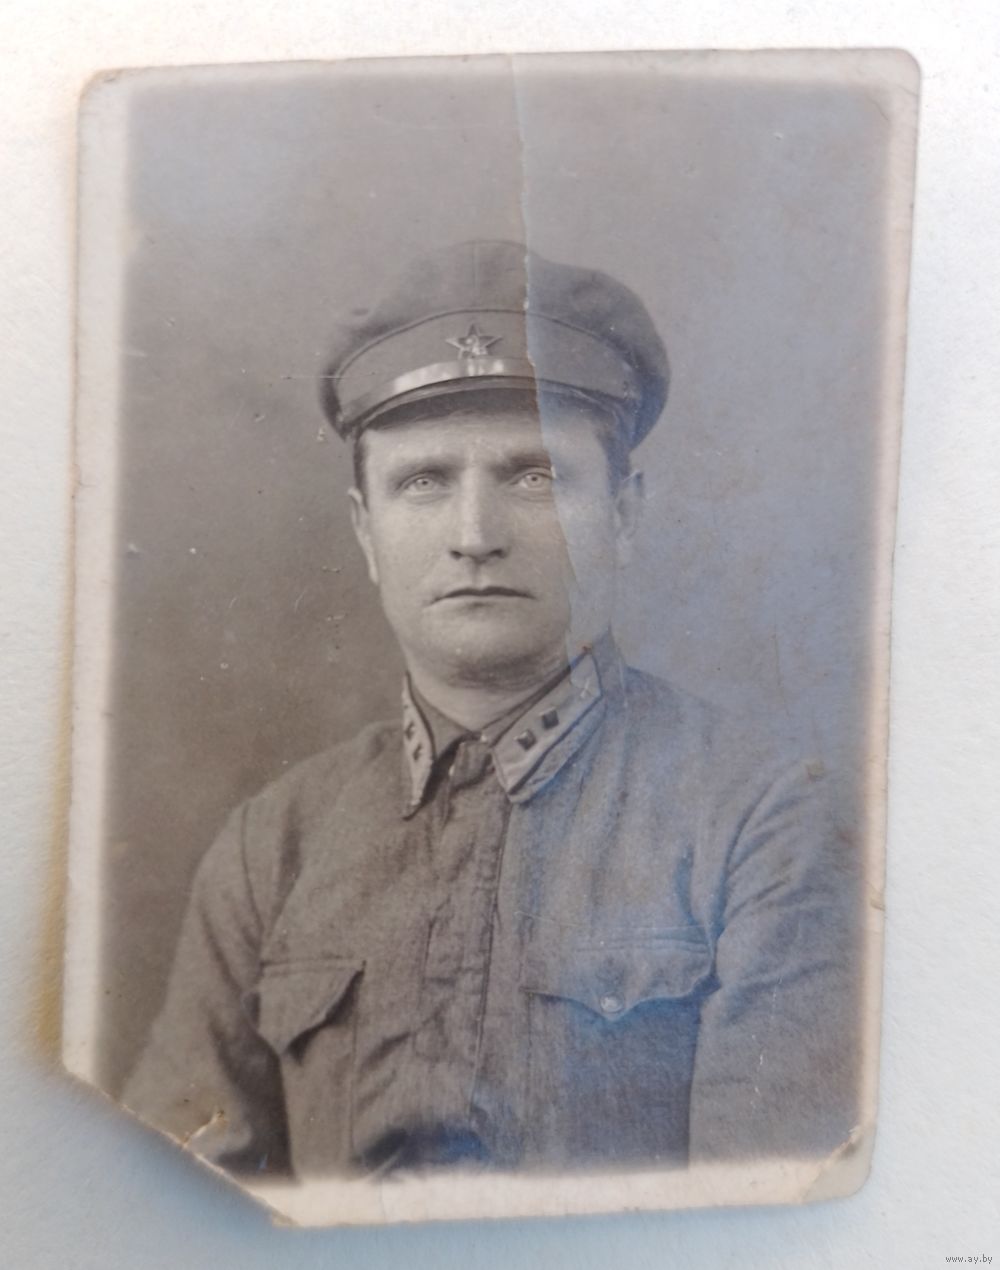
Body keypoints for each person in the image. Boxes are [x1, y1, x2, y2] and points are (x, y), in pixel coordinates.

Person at [124, 240, 860, 1179]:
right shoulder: (269, 849)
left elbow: (765, 1221)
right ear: (365, 529)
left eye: (534, 476)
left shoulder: (759, 820)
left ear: (624, 515)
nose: (475, 536)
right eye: (423, 481)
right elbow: (173, 1210)